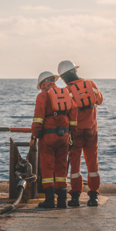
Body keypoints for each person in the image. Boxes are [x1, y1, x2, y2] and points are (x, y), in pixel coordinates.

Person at [59, 59, 103, 207]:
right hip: (91, 131)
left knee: (75, 164)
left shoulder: (66, 91)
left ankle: (76, 196)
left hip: (75, 132)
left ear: (64, 78)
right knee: (92, 163)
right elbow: (100, 100)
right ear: (75, 71)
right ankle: (94, 196)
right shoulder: (91, 85)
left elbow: (64, 112)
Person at [30, 71, 78, 209]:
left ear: (43, 83)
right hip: (64, 137)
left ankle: (50, 200)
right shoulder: (66, 94)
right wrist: (72, 134)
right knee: (61, 167)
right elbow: (74, 112)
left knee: (47, 168)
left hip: (48, 137)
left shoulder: (42, 96)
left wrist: (34, 135)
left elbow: (38, 118)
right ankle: (62, 201)